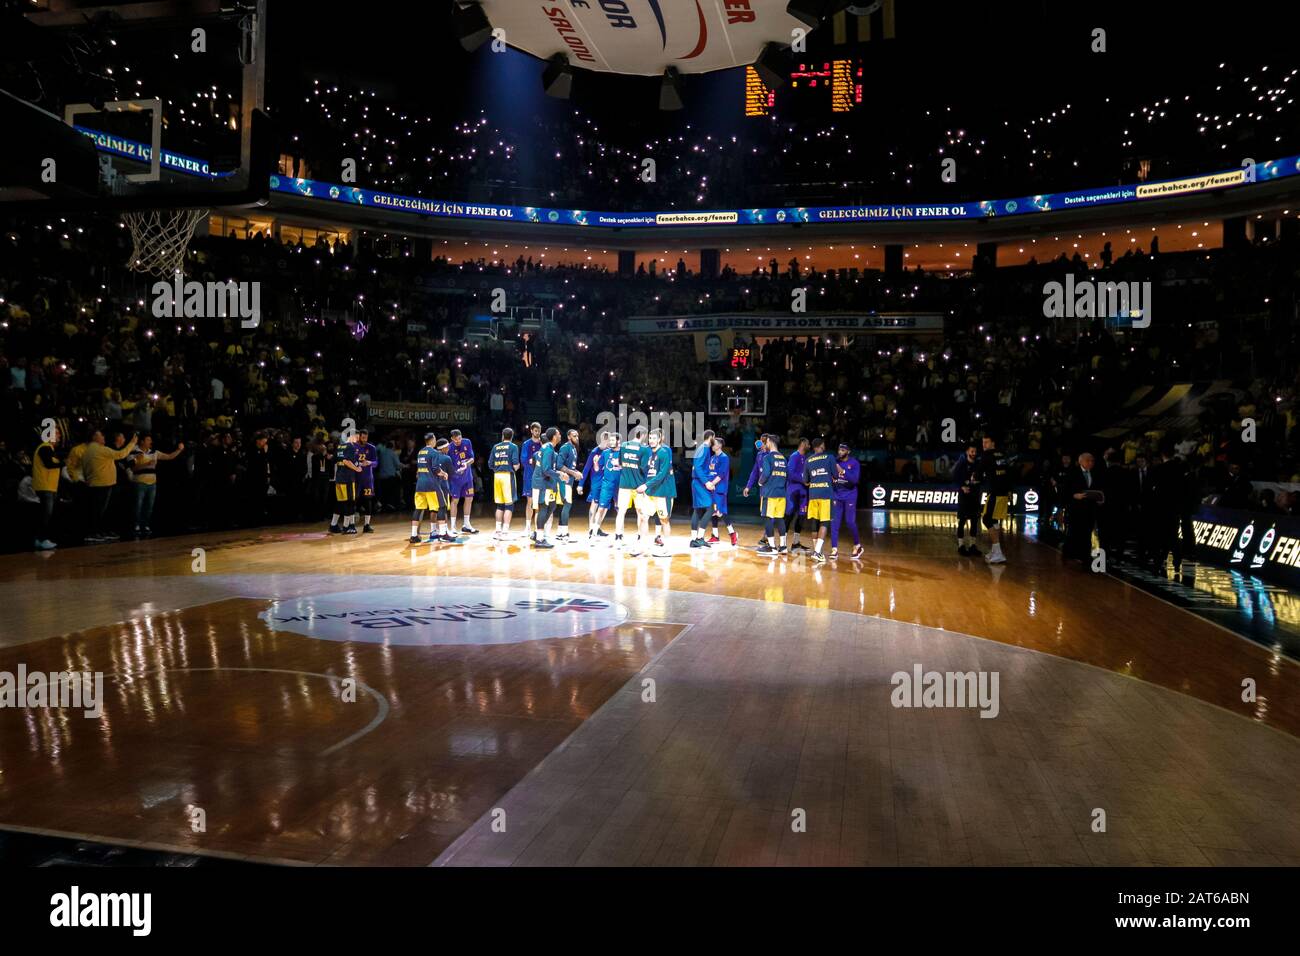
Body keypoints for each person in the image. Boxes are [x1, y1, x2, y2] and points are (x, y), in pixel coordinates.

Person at [82, 428, 138, 543]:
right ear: (94, 437)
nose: (103, 437)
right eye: (100, 435)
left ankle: (98, 532)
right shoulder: (99, 449)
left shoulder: (88, 450)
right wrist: (132, 443)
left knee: (98, 510)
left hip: (96, 483)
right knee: (99, 511)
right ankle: (93, 533)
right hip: (102, 484)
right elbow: (121, 454)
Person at [128, 433, 185, 538]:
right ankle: (135, 525)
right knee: (138, 506)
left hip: (152, 484)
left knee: (149, 506)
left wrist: (179, 450)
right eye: (148, 440)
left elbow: (169, 457)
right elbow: (133, 468)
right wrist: (146, 464)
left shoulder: (154, 452)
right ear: (142, 441)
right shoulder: (134, 451)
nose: (150, 442)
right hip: (139, 483)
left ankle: (145, 525)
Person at [1063, 451, 1103, 565]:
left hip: (1090, 508)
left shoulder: (1095, 473)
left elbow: (1098, 489)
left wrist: (1099, 498)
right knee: (1074, 531)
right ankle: (1070, 552)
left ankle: (1084, 555)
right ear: (1081, 461)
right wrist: (1073, 495)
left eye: (1092, 461)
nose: (1090, 463)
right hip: (1076, 508)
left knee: (1087, 532)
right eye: (1088, 460)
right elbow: (1065, 490)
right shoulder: (1072, 472)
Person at [639, 429, 675, 557]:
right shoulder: (649, 452)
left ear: (659, 439)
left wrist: (645, 485)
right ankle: (643, 546)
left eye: (654, 438)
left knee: (664, 520)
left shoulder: (664, 453)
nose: (651, 440)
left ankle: (668, 548)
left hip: (661, 492)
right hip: (650, 492)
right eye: (650, 438)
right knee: (643, 518)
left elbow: (662, 474)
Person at [976, 434, 1011, 565]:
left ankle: (998, 553)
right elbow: (1008, 472)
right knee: (994, 520)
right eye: (983, 442)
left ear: (993, 443)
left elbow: (978, 473)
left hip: (995, 493)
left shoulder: (986, 456)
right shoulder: (1002, 455)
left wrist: (974, 478)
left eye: (986, 442)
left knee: (986, 519)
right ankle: (994, 551)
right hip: (1003, 493)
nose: (984, 445)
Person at [31, 423, 64, 551]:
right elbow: (49, 464)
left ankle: (40, 539)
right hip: (45, 487)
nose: (59, 436)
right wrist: (63, 463)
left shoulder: (48, 449)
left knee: (45, 515)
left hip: (48, 487)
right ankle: (42, 539)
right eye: (56, 433)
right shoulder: (45, 448)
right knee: (46, 515)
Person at [614, 426, 647, 550]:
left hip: (624, 484)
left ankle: (618, 537)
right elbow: (644, 468)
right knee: (640, 513)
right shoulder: (644, 449)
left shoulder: (623, 445)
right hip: (638, 486)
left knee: (621, 511)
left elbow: (620, 463)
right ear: (643, 435)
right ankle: (639, 537)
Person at [803, 437, 834, 563]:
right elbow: (836, 475)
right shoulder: (829, 457)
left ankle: (818, 551)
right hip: (825, 493)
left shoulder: (808, 459)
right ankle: (817, 552)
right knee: (825, 522)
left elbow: (805, 480)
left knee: (815, 522)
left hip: (813, 494)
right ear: (822, 445)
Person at [829, 442, 863, 560]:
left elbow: (854, 480)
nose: (840, 452)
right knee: (834, 523)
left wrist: (842, 471)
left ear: (848, 451)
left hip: (850, 495)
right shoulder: (835, 462)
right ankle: (834, 549)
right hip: (837, 496)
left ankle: (857, 545)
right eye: (839, 450)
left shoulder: (854, 463)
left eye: (843, 450)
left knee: (850, 522)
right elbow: (831, 478)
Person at [756, 435, 788, 556]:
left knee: (768, 518)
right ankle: (783, 546)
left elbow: (766, 474)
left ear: (769, 441)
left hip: (769, 493)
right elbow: (786, 476)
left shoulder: (768, 457)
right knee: (780, 519)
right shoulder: (784, 458)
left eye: (767, 441)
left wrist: (760, 482)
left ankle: (772, 548)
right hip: (781, 493)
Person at [530, 427, 562, 549]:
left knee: (552, 505)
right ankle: (539, 539)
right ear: (554, 436)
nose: (560, 436)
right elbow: (546, 470)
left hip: (546, 483)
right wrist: (560, 474)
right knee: (544, 507)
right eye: (558, 434)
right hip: (542, 484)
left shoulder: (549, 449)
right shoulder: (548, 449)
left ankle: (537, 533)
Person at [410, 433, 443, 544]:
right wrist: (444, 473)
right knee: (435, 508)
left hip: (420, 485)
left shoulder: (420, 452)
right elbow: (435, 468)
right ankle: (435, 531)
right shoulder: (434, 452)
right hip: (431, 484)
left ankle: (414, 535)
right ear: (432, 440)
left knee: (418, 509)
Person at [489, 426, 520, 540]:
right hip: (507, 476)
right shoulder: (513, 447)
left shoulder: (495, 447)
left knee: (500, 505)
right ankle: (505, 532)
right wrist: (515, 467)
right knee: (509, 504)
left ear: (502, 436)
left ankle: (497, 531)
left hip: (497, 476)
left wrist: (499, 468)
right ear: (511, 437)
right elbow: (516, 464)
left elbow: (490, 464)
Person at [707, 434, 738, 547]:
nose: (712, 446)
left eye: (713, 444)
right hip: (711, 488)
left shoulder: (724, 458)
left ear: (719, 445)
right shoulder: (712, 457)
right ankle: (715, 536)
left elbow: (722, 474)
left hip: (719, 489)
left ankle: (732, 533)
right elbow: (710, 473)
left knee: (722, 512)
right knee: (713, 512)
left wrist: (712, 483)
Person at [329, 431, 362, 535]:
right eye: (356, 437)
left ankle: (333, 525)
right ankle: (347, 526)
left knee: (340, 502)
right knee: (350, 502)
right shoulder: (351, 447)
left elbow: (333, 459)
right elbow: (346, 461)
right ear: (351, 436)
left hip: (339, 478)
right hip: (347, 479)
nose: (358, 439)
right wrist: (356, 468)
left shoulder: (340, 446)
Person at [952, 441, 982, 556]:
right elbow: (955, 477)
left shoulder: (978, 464)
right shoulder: (962, 463)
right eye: (972, 451)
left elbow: (982, 479)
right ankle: (961, 546)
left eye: (975, 451)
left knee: (974, 522)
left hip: (975, 497)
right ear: (967, 452)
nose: (974, 453)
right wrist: (962, 486)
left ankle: (972, 546)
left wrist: (978, 481)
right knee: (962, 521)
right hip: (964, 498)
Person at [590, 432, 620, 543]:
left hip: (620, 485)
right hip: (607, 484)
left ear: (618, 441)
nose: (611, 442)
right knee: (601, 508)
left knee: (619, 509)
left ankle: (618, 534)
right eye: (610, 441)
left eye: (613, 440)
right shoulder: (605, 452)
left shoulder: (623, 452)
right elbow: (597, 469)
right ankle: (594, 532)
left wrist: (619, 464)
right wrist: (595, 463)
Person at [689, 429, 716, 549]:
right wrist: (706, 483)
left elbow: (698, 467)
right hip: (700, 483)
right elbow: (698, 468)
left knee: (698, 510)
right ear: (711, 437)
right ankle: (699, 538)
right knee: (710, 509)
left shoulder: (701, 448)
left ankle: (694, 539)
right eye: (714, 438)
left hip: (697, 482)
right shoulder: (704, 448)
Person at [447, 429, 477, 534]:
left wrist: (466, 464)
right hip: (455, 478)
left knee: (469, 499)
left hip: (467, 477)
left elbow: (472, 458)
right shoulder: (449, 447)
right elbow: (447, 464)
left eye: (459, 438)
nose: (458, 441)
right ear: (452, 439)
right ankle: (453, 527)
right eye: (456, 440)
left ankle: (466, 524)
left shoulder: (467, 442)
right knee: (455, 501)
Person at [556, 429, 583, 542]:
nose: (576, 437)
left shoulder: (574, 449)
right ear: (568, 437)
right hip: (563, 480)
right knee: (567, 504)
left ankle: (560, 532)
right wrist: (573, 473)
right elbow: (559, 465)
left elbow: (570, 467)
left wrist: (577, 472)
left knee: (565, 505)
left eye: (577, 436)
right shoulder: (565, 447)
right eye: (574, 435)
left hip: (569, 481)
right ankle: (564, 533)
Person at [785, 437, 810, 551]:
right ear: (803, 444)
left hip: (803, 492)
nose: (809, 446)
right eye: (808, 443)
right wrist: (803, 480)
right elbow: (790, 474)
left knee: (801, 517)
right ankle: (783, 543)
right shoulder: (794, 456)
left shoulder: (806, 458)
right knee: (789, 516)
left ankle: (795, 543)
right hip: (793, 491)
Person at [353, 427, 379, 534]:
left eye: (366, 437)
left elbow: (376, 463)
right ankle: (350, 524)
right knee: (354, 500)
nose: (364, 439)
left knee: (368, 500)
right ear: (359, 437)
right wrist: (358, 464)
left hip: (367, 479)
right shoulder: (354, 447)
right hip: (356, 477)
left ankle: (367, 525)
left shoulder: (371, 448)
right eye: (362, 437)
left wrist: (369, 463)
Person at [520, 422, 543, 539]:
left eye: (539, 430)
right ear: (531, 431)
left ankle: (537, 528)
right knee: (530, 502)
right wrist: (533, 461)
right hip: (529, 476)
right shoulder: (526, 444)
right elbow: (523, 460)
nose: (537, 432)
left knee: (539, 503)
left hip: (541, 477)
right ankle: (527, 527)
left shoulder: (543, 443)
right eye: (535, 430)